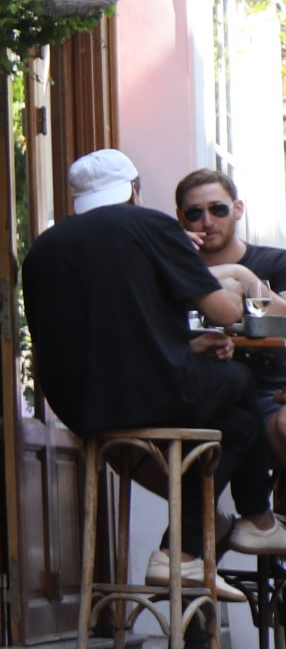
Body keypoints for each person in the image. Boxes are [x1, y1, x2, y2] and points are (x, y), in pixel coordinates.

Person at [23, 149, 274, 578]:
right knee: (239, 378)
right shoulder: (149, 225)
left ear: (77, 200)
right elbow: (226, 313)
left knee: (240, 427)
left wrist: (187, 347)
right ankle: (254, 519)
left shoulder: (42, 248)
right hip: (153, 395)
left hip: (81, 410)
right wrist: (234, 281)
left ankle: (181, 555)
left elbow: (105, 334)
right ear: (133, 191)